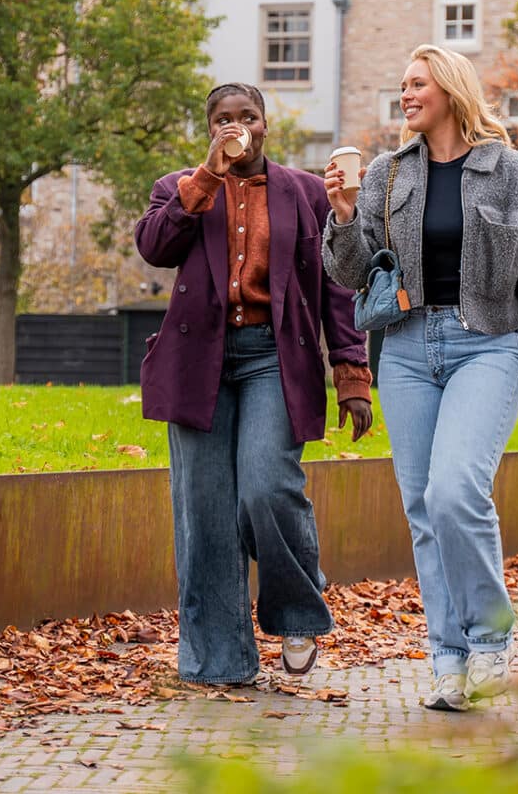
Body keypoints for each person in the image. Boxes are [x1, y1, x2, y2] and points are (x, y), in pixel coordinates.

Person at [322, 44, 518, 712]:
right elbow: (350, 275)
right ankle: (447, 658)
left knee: (453, 491)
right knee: (421, 509)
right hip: (407, 351)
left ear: (449, 89)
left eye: (417, 83)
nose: (405, 93)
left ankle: (491, 635)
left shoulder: (510, 173)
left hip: (487, 347)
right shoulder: (385, 175)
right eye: (402, 83)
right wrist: (347, 215)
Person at [136, 83, 375, 685]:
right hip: (199, 365)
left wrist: (350, 372)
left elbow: (337, 289)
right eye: (223, 119)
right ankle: (219, 659)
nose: (236, 126)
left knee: (267, 489)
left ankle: (296, 614)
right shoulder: (180, 188)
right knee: (206, 513)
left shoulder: (304, 192)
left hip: (274, 356)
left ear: (266, 125)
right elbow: (155, 247)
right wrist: (205, 180)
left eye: (247, 116)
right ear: (211, 129)